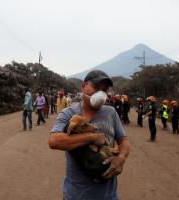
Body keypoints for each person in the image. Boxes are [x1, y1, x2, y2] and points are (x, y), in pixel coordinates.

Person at [48, 69, 130, 200]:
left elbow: (123, 140)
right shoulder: (68, 113)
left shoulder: (111, 112)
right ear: (83, 86)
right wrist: (92, 137)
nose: (100, 94)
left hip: (108, 196)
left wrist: (121, 157)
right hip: (76, 195)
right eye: (95, 87)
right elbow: (54, 141)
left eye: (104, 90)